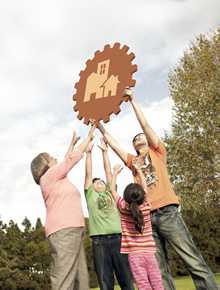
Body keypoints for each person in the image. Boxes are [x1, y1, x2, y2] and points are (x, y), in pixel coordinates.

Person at [97, 88, 219, 290]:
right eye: (135, 139)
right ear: (134, 146)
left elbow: (144, 124)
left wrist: (133, 101)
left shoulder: (158, 151)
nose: (138, 138)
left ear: (147, 139)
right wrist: (99, 126)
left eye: (141, 136)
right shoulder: (132, 161)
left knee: (192, 260)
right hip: (145, 219)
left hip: (168, 212)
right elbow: (115, 144)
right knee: (160, 271)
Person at [30, 125, 95, 290]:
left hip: (74, 230)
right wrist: (89, 137)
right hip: (64, 231)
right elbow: (69, 161)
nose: (54, 157)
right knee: (64, 280)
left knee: (82, 280)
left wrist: (72, 144)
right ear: (44, 165)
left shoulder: (56, 178)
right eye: (50, 157)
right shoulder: (48, 177)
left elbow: (66, 160)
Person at [84, 138, 134, 290]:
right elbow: (88, 173)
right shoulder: (91, 195)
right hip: (99, 242)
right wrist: (89, 153)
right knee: (105, 283)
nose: (99, 182)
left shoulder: (111, 193)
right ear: (91, 187)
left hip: (118, 239)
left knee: (126, 280)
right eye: (96, 182)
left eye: (102, 182)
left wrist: (105, 152)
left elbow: (108, 172)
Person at [110, 158, 164, 290]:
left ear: (126, 197)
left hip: (134, 255)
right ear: (142, 196)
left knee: (143, 285)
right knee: (157, 283)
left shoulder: (123, 207)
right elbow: (144, 187)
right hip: (150, 253)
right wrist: (139, 170)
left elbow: (112, 190)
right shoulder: (146, 206)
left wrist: (115, 173)